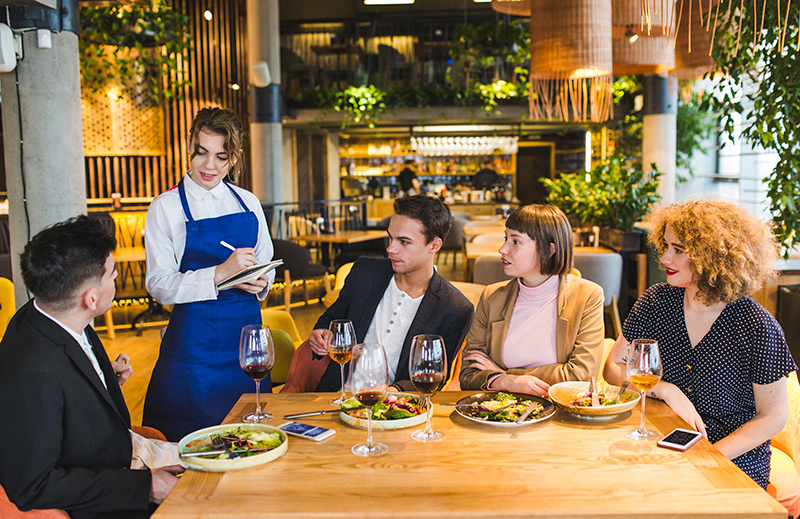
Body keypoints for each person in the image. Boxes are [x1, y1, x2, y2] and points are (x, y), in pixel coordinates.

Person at [603, 199, 796, 489]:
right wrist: (666, 389)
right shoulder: (656, 302)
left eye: (678, 250)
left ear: (713, 256)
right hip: (662, 442)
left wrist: (711, 456)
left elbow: (773, 416)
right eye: (665, 246)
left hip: (732, 456)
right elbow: (612, 368)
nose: (665, 258)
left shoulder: (757, 326)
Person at [0, 216, 182, 519]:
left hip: (120, 449)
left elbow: (65, 375)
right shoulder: (32, 375)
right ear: (92, 298)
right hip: (107, 492)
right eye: (112, 274)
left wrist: (99, 376)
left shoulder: (53, 310)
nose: (116, 278)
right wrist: (145, 487)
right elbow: (33, 485)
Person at [142, 107, 275, 441]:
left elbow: (266, 260)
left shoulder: (248, 202)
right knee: (192, 443)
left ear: (234, 158)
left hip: (246, 346)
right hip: (193, 350)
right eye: (201, 152)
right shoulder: (166, 207)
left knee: (251, 439)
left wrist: (262, 281)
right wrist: (218, 273)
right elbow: (158, 284)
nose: (209, 165)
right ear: (190, 146)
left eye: (221, 156)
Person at [288, 195, 474, 392]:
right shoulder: (365, 271)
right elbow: (331, 318)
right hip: (336, 396)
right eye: (390, 238)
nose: (390, 249)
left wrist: (395, 392)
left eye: (404, 242)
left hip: (396, 404)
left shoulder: (455, 308)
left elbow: (435, 374)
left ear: (434, 245)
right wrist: (320, 333)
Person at [459, 204, 605, 396]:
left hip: (562, 409)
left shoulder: (587, 296)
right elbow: (468, 376)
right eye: (505, 239)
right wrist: (506, 381)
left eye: (515, 242)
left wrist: (505, 377)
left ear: (549, 250)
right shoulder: (492, 297)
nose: (502, 249)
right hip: (500, 410)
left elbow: (580, 377)